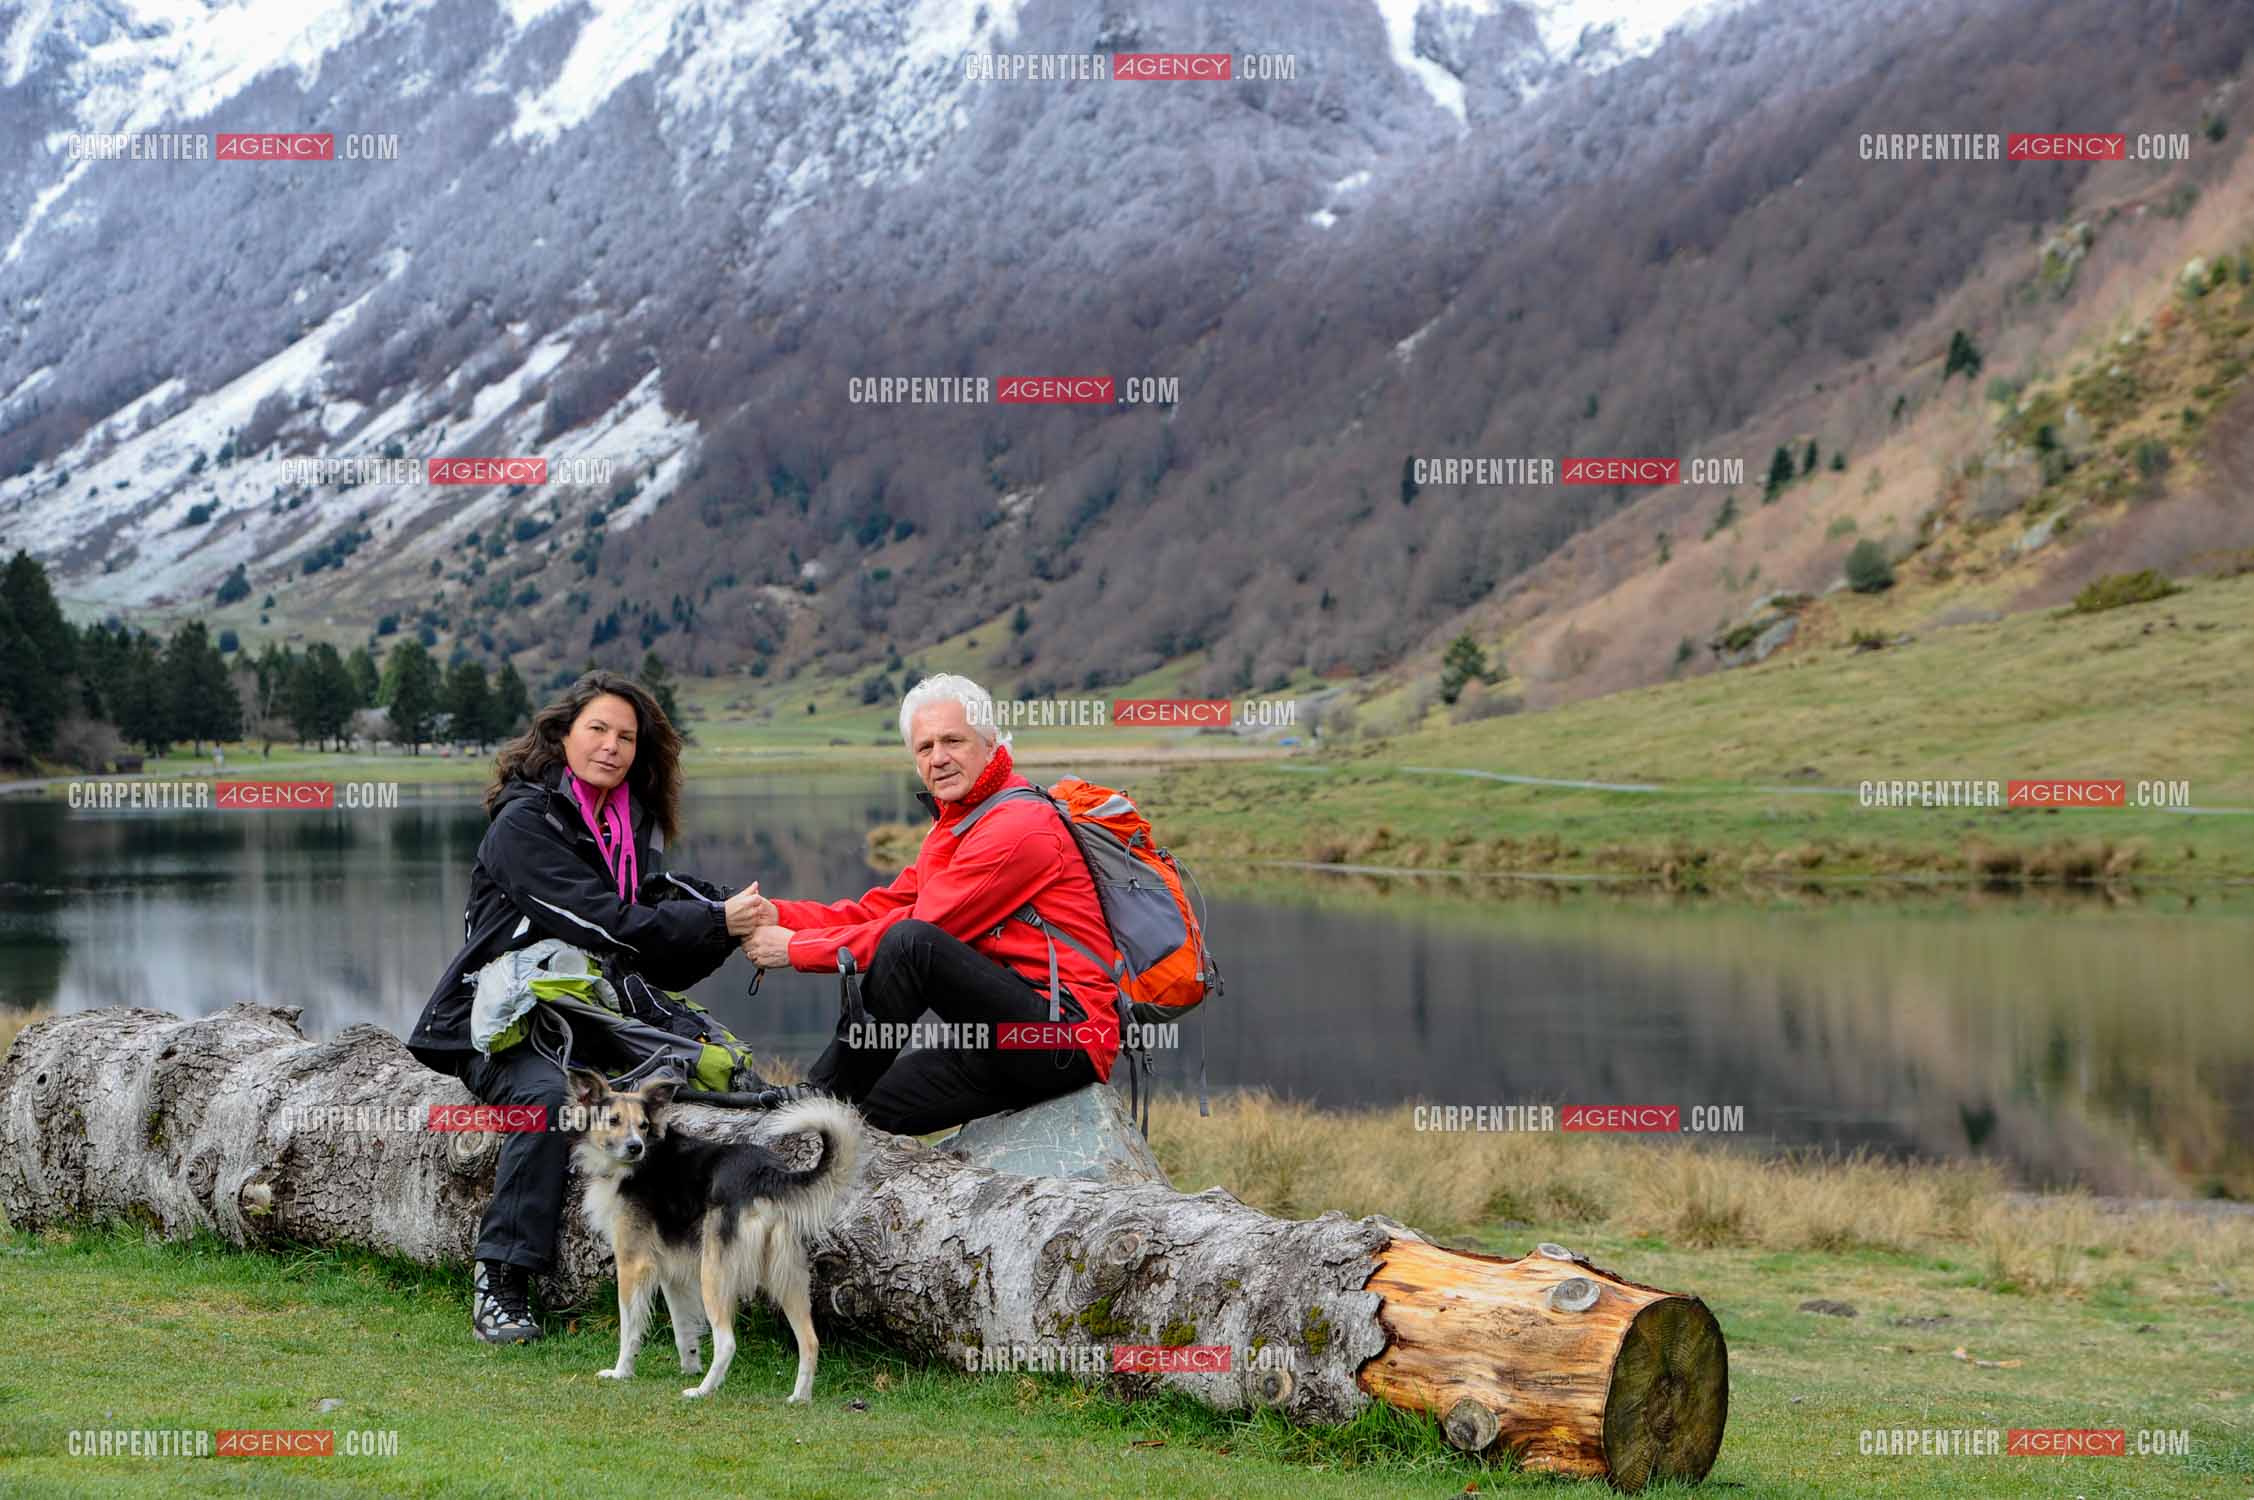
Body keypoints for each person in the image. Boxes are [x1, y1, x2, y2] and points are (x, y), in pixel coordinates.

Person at [408, 670, 774, 1344]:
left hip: (591, 1014)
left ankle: (696, 1267)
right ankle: (500, 1279)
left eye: (626, 737)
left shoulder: (627, 826)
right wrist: (715, 921)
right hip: (502, 1024)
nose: (611, 746)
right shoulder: (525, 824)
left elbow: (655, 930)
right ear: (563, 735)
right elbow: (600, 921)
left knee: (698, 1073)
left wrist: (739, 919)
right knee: (549, 1102)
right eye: (597, 729)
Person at [743, 674, 1118, 1134]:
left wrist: (794, 949)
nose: (938, 758)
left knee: (910, 944)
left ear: (990, 743)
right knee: (861, 1114)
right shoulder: (959, 823)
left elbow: (919, 931)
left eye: (953, 741)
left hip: (1065, 1037)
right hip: (999, 1038)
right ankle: (823, 1117)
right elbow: (881, 908)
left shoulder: (1019, 826)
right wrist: (782, 916)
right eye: (925, 747)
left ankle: (821, 1094)